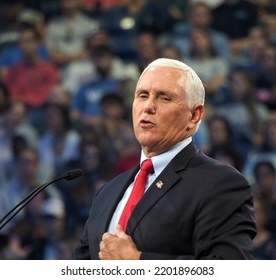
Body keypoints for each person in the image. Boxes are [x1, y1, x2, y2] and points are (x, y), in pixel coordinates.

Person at [72, 58, 256, 260]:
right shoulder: (108, 192)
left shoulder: (220, 183)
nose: (148, 106)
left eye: (164, 98)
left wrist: (139, 262)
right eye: (142, 95)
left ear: (194, 116)